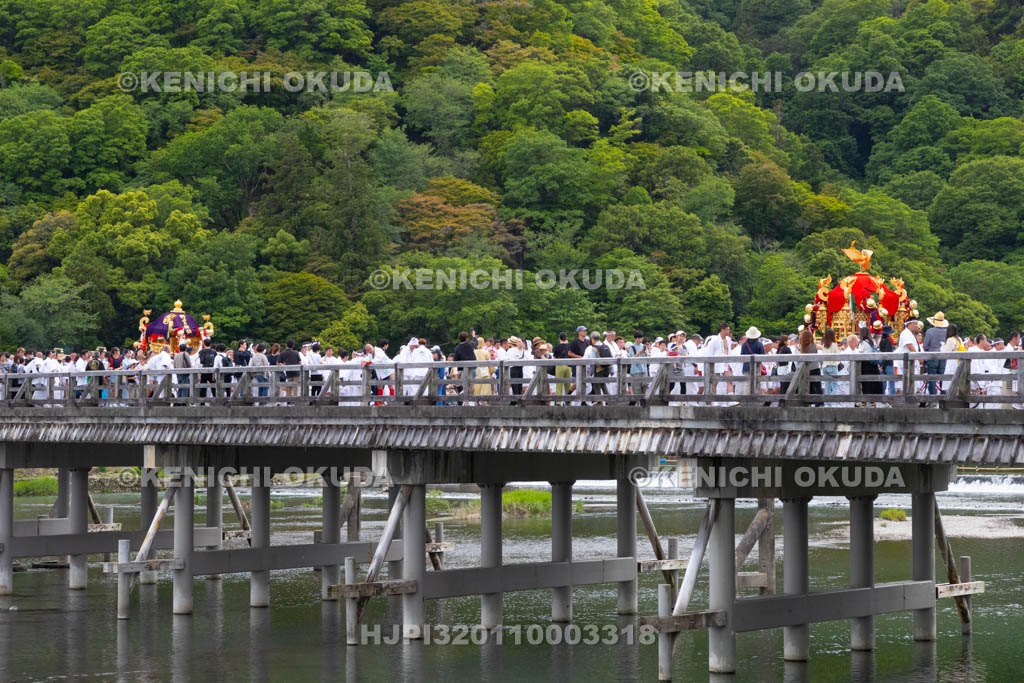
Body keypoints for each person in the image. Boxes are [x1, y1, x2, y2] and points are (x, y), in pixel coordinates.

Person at [923, 312, 949, 394]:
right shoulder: (947, 332)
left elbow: (925, 346)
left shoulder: (930, 331)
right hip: (943, 356)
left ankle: (932, 397)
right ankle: (943, 396)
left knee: (932, 378)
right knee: (943, 378)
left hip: (932, 356)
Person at [819, 329, 841, 404]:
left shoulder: (824, 345)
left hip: (824, 366)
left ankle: (827, 403)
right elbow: (837, 355)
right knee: (835, 386)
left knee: (827, 386)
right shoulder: (834, 344)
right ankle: (834, 403)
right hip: (832, 365)